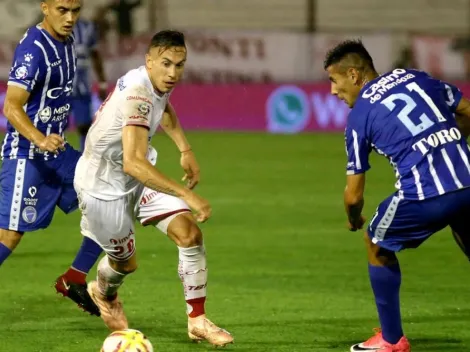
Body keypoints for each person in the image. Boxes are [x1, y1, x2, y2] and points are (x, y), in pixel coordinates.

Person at [72, 29, 234, 347]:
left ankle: (197, 321)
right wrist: (186, 193)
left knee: (189, 234)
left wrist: (185, 149)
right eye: (166, 64)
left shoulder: (154, 82)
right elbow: (134, 162)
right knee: (126, 264)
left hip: (134, 178)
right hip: (103, 189)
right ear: (149, 61)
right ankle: (102, 291)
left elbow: (166, 110)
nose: (173, 73)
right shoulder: (137, 92)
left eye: (179, 64)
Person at [324, 39, 470, 352]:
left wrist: (353, 220)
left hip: (425, 195)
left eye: (334, 81)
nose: (333, 92)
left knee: (376, 242)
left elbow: (353, 196)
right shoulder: (416, 77)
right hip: (468, 181)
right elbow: (467, 110)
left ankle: (391, 340)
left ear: (353, 74)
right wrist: (454, 144)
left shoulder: (360, 115)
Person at [0, 0, 86, 284]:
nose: (70, 17)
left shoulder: (68, 40)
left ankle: (81, 283)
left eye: (75, 10)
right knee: (10, 235)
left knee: (105, 200)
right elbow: (11, 107)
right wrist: (39, 139)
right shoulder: (34, 49)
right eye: (63, 10)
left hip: (58, 154)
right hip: (28, 155)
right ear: (45, 7)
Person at [71, 17, 107, 152]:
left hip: (82, 86)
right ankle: (51, 163)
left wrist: (102, 83)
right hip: (58, 87)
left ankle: (84, 161)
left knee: (85, 126)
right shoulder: (50, 25)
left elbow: (95, 55)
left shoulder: (88, 28)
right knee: (54, 125)